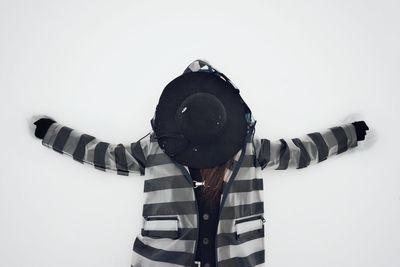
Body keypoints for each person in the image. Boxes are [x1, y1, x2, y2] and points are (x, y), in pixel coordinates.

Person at [32, 59, 369, 267]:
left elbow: (299, 151)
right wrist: (54, 133)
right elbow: (105, 155)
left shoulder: (247, 149)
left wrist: (348, 134)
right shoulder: (157, 148)